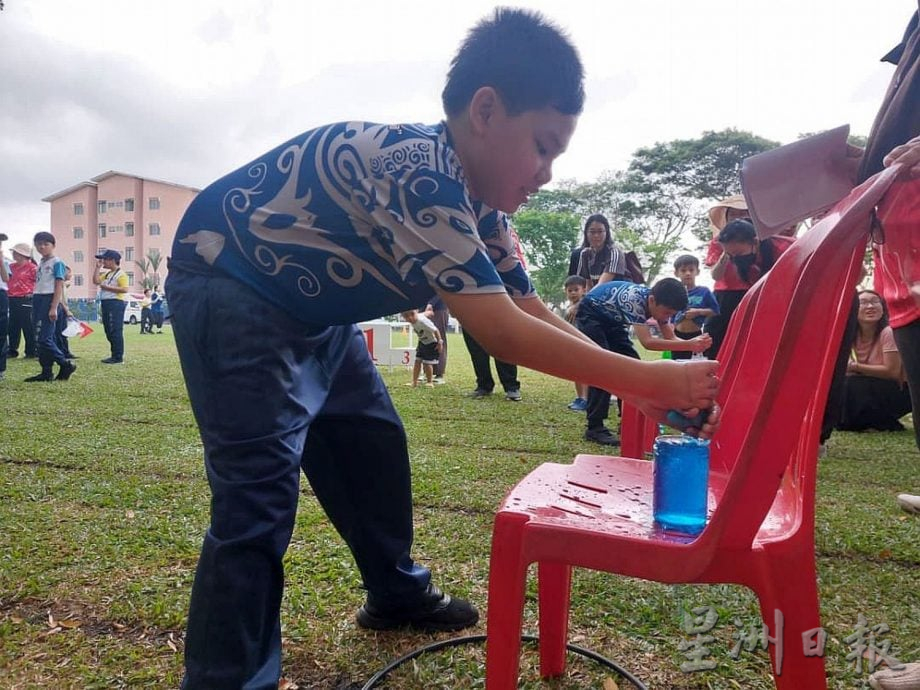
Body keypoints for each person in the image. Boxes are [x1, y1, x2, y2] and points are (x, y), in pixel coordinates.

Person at [164, 9, 719, 688]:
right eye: (542, 146)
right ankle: (228, 678)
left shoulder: (483, 210)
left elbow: (527, 305)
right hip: (232, 285)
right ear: (486, 109)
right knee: (255, 498)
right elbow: (497, 330)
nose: (546, 171)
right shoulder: (420, 169)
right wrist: (650, 382)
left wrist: (635, 382)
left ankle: (394, 593)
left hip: (319, 314)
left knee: (370, 442)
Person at [575, 278, 712, 446]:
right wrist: (688, 343)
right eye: (667, 312)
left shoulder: (659, 306)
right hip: (591, 313)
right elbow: (648, 342)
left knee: (633, 366)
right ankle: (595, 427)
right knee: (602, 366)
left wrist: (695, 346)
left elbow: (671, 337)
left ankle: (627, 421)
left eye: (671, 314)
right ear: (652, 300)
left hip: (613, 322)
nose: (667, 317)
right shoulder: (635, 301)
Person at [706, 218, 795, 359]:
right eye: (731, 254)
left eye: (739, 254)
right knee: (716, 337)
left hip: (771, 295)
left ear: (755, 242)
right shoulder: (721, 243)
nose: (736, 258)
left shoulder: (784, 248)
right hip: (727, 296)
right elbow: (716, 275)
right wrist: (726, 255)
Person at [834, 290, 912, 432]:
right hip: (871, 387)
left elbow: (892, 372)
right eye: (863, 303)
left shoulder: (888, 332)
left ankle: (881, 422)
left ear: (883, 308)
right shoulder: (851, 336)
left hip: (899, 391)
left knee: (853, 384)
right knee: (842, 384)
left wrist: (855, 366)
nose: (870, 306)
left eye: (875, 302)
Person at [25, 232, 76, 382]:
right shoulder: (41, 263)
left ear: (53, 245)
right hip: (38, 299)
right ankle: (46, 372)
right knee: (39, 337)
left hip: (49, 299)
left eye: (46, 244)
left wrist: (54, 307)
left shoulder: (57, 262)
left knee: (45, 338)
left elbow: (59, 284)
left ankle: (65, 363)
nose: (42, 246)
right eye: (39, 244)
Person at [670, 254, 719, 360]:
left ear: (697, 272)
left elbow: (715, 311)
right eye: (683, 270)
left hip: (696, 334)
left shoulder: (704, 291)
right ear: (676, 273)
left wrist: (698, 312)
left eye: (691, 270)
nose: (688, 273)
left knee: (696, 363)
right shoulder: (673, 292)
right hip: (677, 335)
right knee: (677, 363)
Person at [569, 213, 630, 289]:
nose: (596, 235)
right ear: (586, 233)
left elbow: (601, 285)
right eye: (592, 232)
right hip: (598, 296)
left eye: (600, 231)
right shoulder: (585, 254)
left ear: (606, 233)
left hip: (618, 296)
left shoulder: (614, 252)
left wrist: (587, 299)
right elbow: (587, 285)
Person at [461, 325, 523, 401]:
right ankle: (484, 386)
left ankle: (511, 387)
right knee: (476, 351)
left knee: (502, 346)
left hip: (497, 315)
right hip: (469, 316)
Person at [93, 249, 128, 364]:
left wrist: (107, 288)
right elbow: (96, 281)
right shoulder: (108, 274)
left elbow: (124, 289)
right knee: (108, 329)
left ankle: (117, 356)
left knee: (115, 330)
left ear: (112, 260)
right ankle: (114, 354)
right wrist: (97, 268)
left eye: (105, 259)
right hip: (106, 303)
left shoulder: (121, 274)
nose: (103, 262)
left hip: (116, 303)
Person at [7, 242, 38, 359]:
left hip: (26, 298)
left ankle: (30, 351)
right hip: (12, 298)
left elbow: (38, 283)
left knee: (28, 326)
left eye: (16, 252)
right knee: (13, 325)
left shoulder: (33, 268)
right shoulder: (11, 267)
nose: (14, 254)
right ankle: (12, 350)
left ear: (22, 254)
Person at [563, 274, 588, 410]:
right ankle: (581, 397)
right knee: (577, 372)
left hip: (583, 343)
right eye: (570, 290)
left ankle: (586, 399)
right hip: (574, 344)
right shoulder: (569, 308)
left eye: (576, 290)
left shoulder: (584, 305)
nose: (573, 293)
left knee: (583, 372)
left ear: (584, 290)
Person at [402, 309, 443, 387]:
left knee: (427, 363)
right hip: (422, 342)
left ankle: (429, 382)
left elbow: (435, 330)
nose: (410, 318)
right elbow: (424, 314)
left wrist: (440, 343)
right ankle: (414, 382)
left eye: (412, 314)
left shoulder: (422, 321)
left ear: (416, 312)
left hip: (431, 343)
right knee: (417, 361)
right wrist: (429, 312)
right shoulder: (417, 317)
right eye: (406, 316)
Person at [424, 295, 450, 383]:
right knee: (425, 339)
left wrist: (431, 303)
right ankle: (427, 371)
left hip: (439, 308)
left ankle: (439, 373)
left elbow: (439, 290)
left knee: (439, 339)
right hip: (424, 308)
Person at [0, 233, 9, 381]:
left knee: (1, 333)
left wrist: (1, 261)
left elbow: (6, 278)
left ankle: (0, 369)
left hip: (1, 294)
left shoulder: (4, 260)